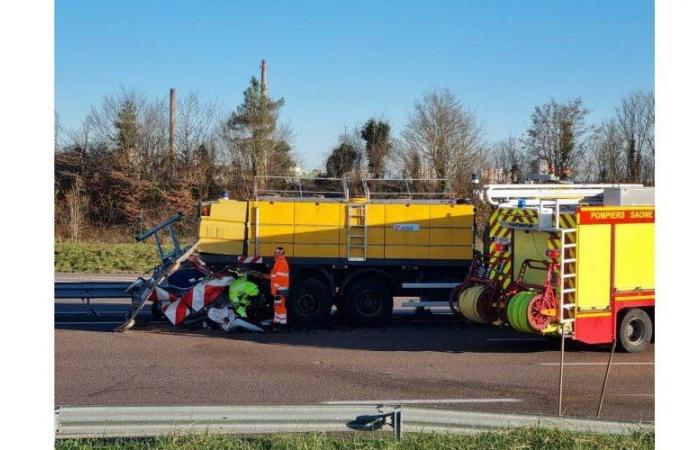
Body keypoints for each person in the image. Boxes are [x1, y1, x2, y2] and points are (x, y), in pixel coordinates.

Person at [266, 246, 289, 327]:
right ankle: (277, 322)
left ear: (281, 253)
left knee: (280, 307)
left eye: (277, 252)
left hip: (279, 290)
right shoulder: (278, 262)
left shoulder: (281, 263)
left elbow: (279, 278)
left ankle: (282, 324)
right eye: (275, 252)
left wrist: (274, 289)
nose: (275, 253)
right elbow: (274, 276)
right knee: (277, 307)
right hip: (279, 290)